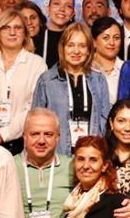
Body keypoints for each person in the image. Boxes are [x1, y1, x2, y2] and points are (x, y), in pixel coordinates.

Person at [31, 22, 109, 155]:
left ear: (89, 50)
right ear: (62, 48)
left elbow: (104, 120)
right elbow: (36, 121)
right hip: (56, 154)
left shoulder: (99, 80)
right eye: (71, 45)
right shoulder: (47, 80)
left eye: (82, 46)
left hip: (89, 155)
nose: (76, 51)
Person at [0, 7, 46, 155]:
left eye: (18, 28)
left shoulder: (37, 64)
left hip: (21, 143)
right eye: (6, 28)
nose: (12, 32)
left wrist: (4, 133)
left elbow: (34, 106)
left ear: (25, 33)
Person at [91, 17, 125, 100]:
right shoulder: (85, 68)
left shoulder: (127, 68)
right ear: (94, 42)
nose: (112, 43)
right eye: (106, 38)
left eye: (116, 38)